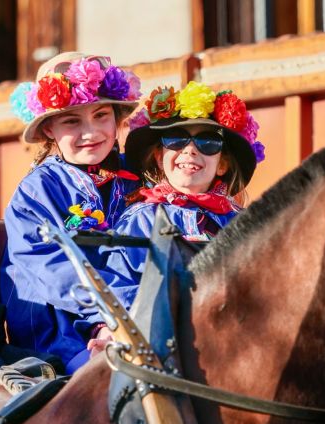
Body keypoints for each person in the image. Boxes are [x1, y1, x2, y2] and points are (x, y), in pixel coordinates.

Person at [86, 82, 265, 355]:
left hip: (236, 344)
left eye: (207, 142)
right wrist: (117, 331)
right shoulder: (142, 219)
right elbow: (119, 283)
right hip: (165, 345)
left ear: (223, 164)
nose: (190, 150)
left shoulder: (244, 225)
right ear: (160, 157)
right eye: (176, 140)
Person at [1, 52, 143, 373]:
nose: (91, 132)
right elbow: (56, 273)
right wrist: (109, 323)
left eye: (101, 115)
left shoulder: (139, 174)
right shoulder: (35, 193)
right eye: (71, 121)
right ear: (49, 129)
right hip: (61, 335)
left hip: (136, 318)